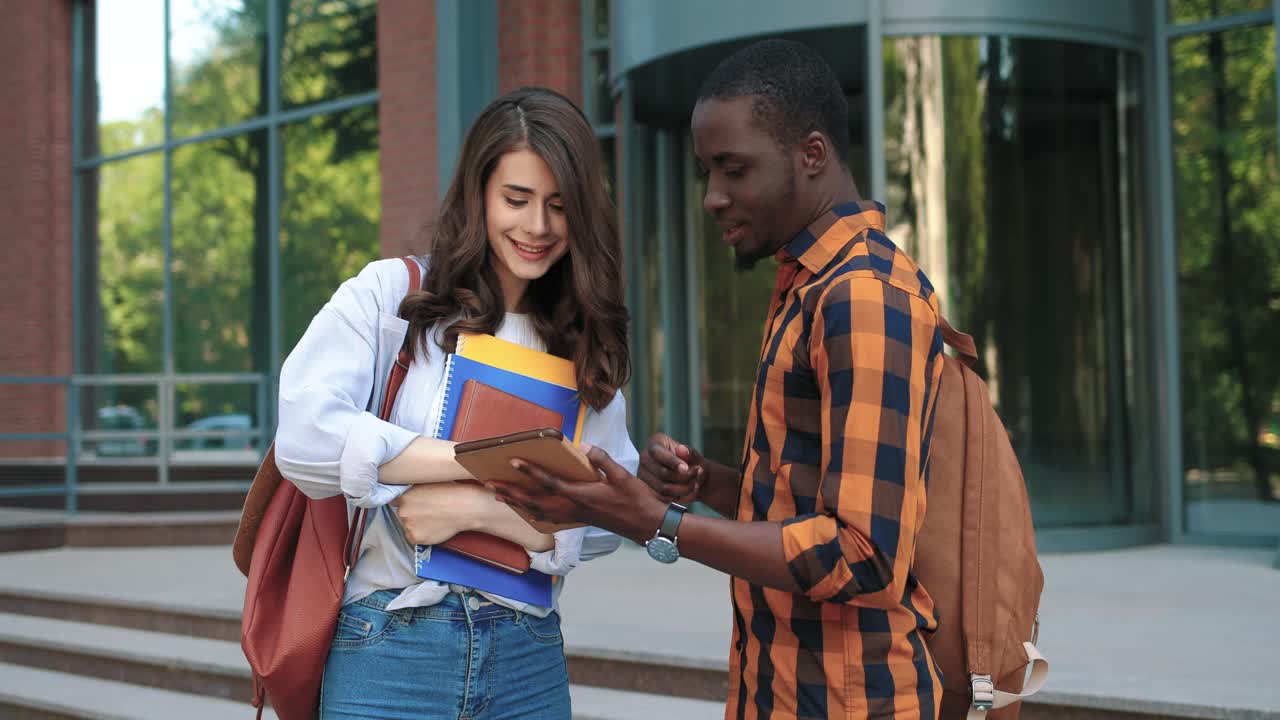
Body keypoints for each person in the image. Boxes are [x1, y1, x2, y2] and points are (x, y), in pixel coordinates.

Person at [487, 40, 947, 720]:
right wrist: (713, 486)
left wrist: (661, 522)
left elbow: (863, 553)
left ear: (811, 156)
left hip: (853, 701)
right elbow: (810, 502)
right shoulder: (809, 286)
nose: (712, 199)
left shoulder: (863, 296)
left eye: (734, 170)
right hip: (783, 688)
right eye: (708, 172)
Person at [273, 86, 637, 720]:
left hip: (527, 657)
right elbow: (304, 441)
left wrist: (480, 512)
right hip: (389, 650)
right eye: (516, 200)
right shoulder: (392, 299)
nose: (537, 227)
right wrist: (477, 462)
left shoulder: (578, 337)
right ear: (480, 195)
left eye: (558, 205)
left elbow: (611, 514)